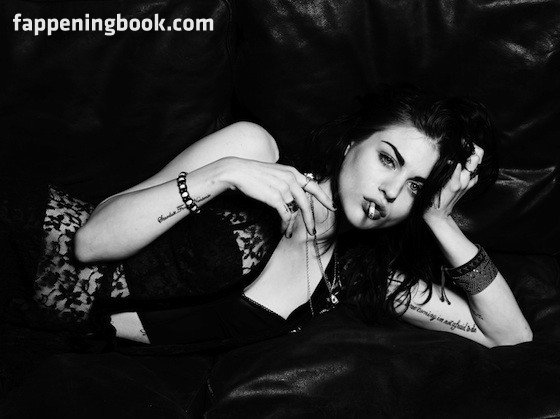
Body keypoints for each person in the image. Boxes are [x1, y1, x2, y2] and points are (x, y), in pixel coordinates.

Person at [4, 85, 532, 351]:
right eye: (388, 159)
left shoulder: (357, 279)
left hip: (46, 334)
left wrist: (439, 221)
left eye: (416, 186)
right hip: (24, 249)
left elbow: (510, 337)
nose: (391, 192)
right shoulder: (253, 152)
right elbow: (91, 242)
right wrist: (222, 174)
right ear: (352, 142)